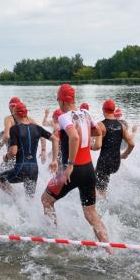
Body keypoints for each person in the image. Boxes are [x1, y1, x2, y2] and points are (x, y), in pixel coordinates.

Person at [41, 84, 109, 243]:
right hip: (88, 170)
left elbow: (74, 137)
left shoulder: (64, 117)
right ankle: (108, 248)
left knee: (46, 200)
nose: (58, 103)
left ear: (63, 101)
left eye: (58, 100)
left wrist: (70, 164)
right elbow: (99, 131)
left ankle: (54, 238)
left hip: (72, 171)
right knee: (91, 214)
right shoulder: (86, 113)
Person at [0, 102, 58, 197]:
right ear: (26, 113)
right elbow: (55, 139)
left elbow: (13, 152)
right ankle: (24, 205)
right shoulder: (37, 128)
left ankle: (15, 199)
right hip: (34, 169)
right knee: (30, 199)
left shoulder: (14, 129)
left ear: (15, 115)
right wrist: (54, 160)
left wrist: (5, 157)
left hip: (21, 168)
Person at [93, 99, 135, 196]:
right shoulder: (121, 126)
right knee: (99, 180)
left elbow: (97, 146)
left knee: (98, 188)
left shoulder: (101, 125)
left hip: (104, 162)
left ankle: (102, 203)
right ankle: (103, 197)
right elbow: (132, 144)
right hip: (116, 163)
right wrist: (125, 154)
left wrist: (91, 146)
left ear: (103, 110)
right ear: (113, 111)